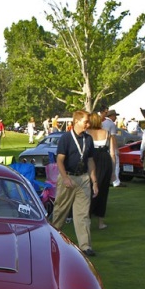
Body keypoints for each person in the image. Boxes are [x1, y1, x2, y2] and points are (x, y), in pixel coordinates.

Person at [50, 110, 99, 257]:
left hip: (83, 178)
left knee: (83, 214)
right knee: (60, 211)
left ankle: (85, 246)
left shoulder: (88, 139)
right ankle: (51, 241)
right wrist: (65, 178)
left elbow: (90, 161)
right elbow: (59, 160)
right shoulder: (66, 138)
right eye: (85, 122)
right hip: (68, 177)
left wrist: (94, 181)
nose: (88, 124)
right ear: (76, 121)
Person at [87, 112, 116, 230]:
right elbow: (113, 154)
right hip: (105, 161)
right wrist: (113, 172)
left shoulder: (87, 134)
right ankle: (100, 222)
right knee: (103, 192)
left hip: (92, 160)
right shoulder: (107, 133)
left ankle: (87, 219)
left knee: (89, 191)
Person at [102, 108, 123, 187]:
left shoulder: (102, 122)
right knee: (116, 163)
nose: (116, 118)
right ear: (112, 116)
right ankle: (116, 181)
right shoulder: (111, 124)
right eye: (115, 116)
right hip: (109, 146)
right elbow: (113, 138)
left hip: (102, 147)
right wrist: (116, 149)